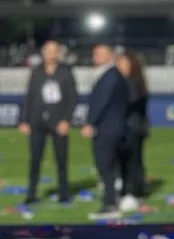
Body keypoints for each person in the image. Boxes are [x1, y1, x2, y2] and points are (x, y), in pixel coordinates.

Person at [18, 40, 77, 205]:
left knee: (61, 159)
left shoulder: (65, 72)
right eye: (48, 51)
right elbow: (29, 97)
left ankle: (63, 193)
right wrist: (24, 120)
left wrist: (66, 120)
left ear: (58, 53)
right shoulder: (36, 72)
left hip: (58, 122)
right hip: (37, 121)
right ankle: (31, 193)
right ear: (42, 53)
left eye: (54, 51)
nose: (50, 54)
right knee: (35, 159)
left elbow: (72, 98)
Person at [82, 43, 129, 218]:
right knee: (109, 166)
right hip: (113, 127)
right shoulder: (112, 75)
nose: (95, 57)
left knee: (105, 166)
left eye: (99, 54)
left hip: (107, 128)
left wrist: (90, 123)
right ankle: (113, 200)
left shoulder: (110, 76)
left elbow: (102, 101)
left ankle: (110, 204)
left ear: (110, 56)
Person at [116, 50, 149, 212]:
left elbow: (132, 104)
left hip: (134, 128)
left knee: (134, 161)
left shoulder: (134, 82)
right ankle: (127, 189)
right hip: (125, 127)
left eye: (123, 63)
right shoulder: (124, 81)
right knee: (123, 161)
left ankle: (135, 191)